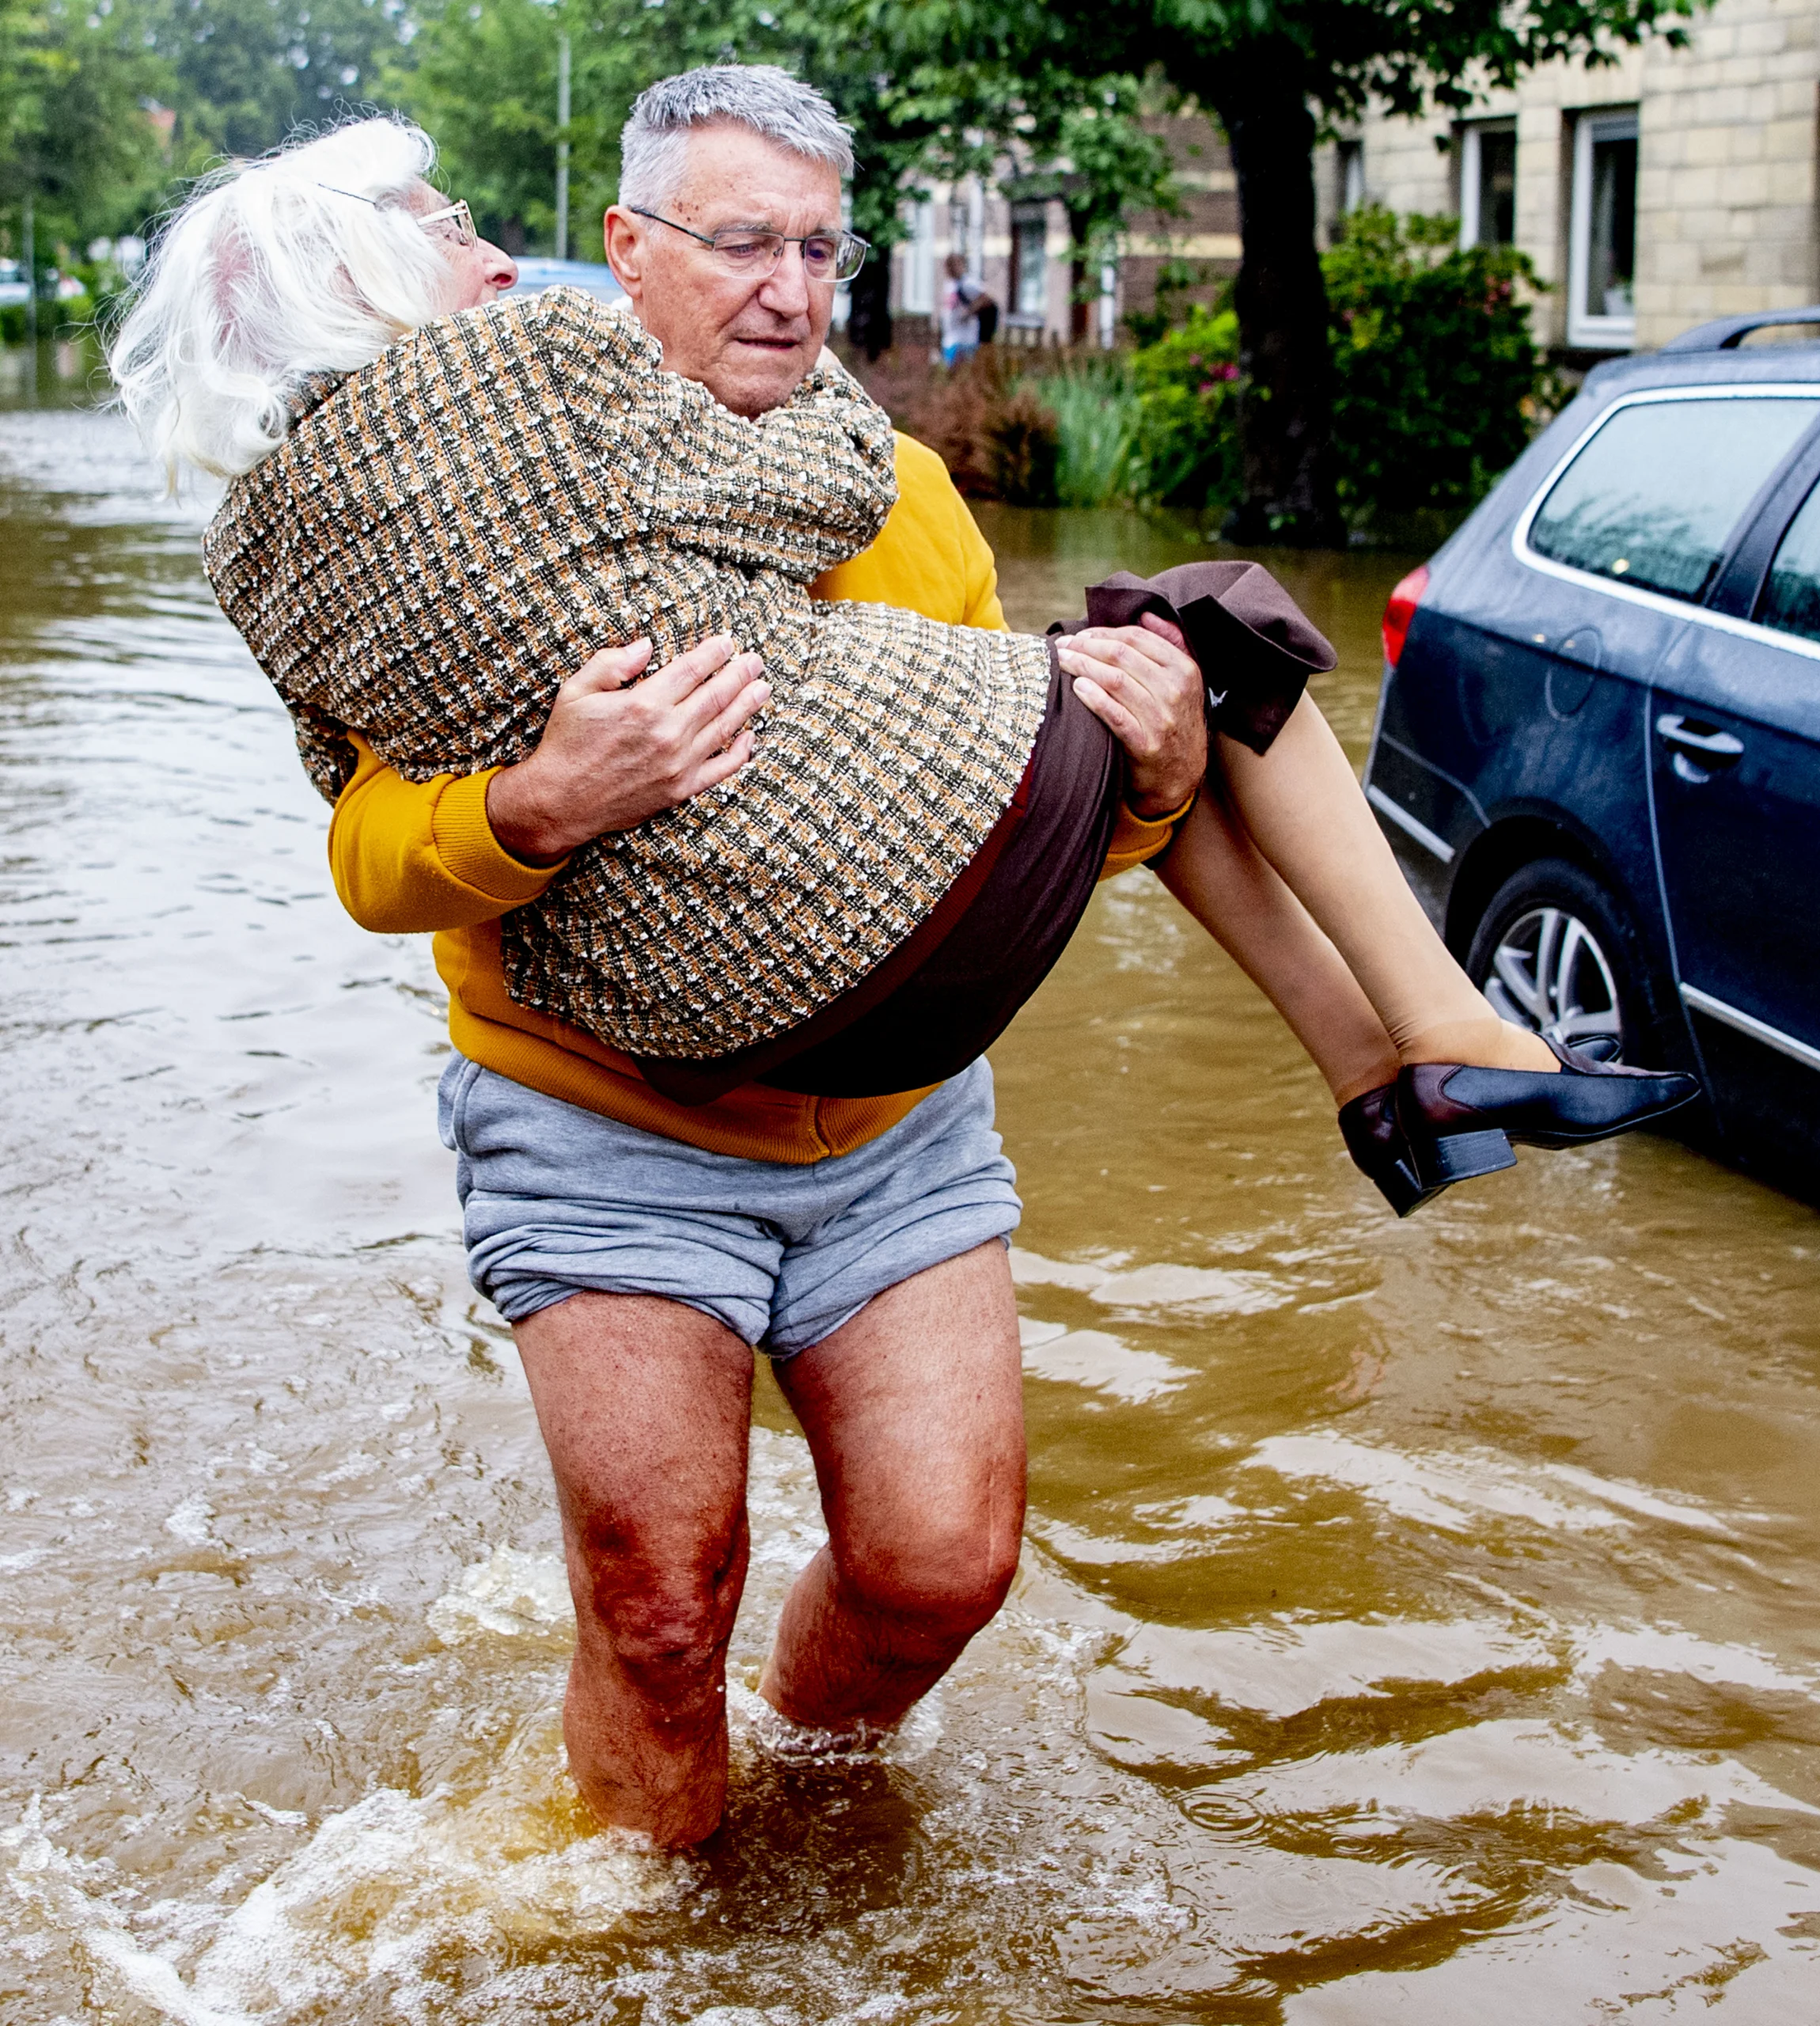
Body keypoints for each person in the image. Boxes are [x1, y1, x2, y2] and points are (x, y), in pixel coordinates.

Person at [110, 71, 1694, 1847]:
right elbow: (364, 854)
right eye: (738, 245)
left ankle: (807, 1791)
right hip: (602, 1129)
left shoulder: (902, 490)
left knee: (941, 1568)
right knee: (655, 1607)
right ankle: (665, 1911)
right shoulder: (456, 507)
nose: (791, 289)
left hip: (893, 1131)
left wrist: (1161, 781)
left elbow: (970, 834)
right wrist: (535, 803)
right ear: (623, 254)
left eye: (818, 247)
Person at [936, 250, 981, 367]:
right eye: (949, 266)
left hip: (964, 339)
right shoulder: (949, 284)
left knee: (961, 373)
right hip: (950, 337)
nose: (951, 269)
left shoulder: (968, 283)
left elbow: (986, 299)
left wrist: (969, 312)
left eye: (954, 265)